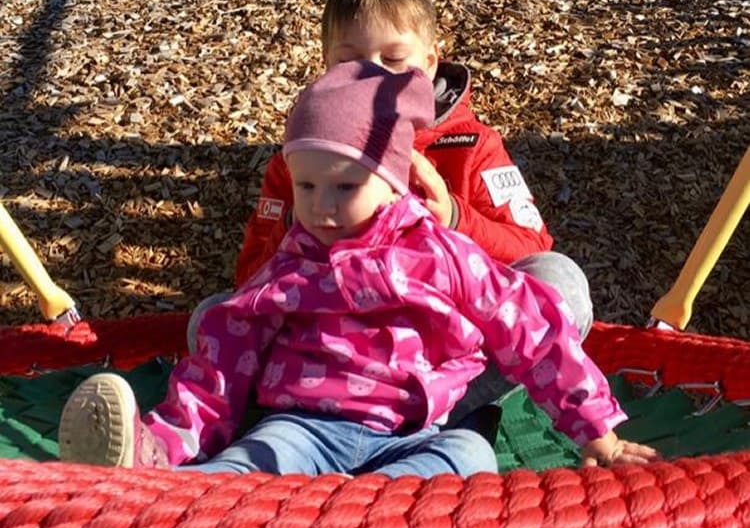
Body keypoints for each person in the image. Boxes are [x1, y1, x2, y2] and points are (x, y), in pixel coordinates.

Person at [58, 61, 657, 476]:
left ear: (393, 182)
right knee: (253, 460)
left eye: (344, 185)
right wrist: (170, 437)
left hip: (414, 431)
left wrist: (595, 432)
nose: (319, 205)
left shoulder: (441, 255)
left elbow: (533, 333)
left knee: (467, 460)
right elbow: (219, 369)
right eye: (307, 184)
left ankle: (361, 516)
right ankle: (163, 477)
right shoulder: (291, 266)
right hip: (305, 425)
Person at [191, 0, 594, 429]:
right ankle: (305, 417)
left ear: (432, 61)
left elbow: (532, 247)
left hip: (443, 350)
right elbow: (250, 280)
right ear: (326, 65)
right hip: (327, 351)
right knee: (209, 320)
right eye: (352, 62)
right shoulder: (303, 159)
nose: (375, 78)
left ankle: (439, 413)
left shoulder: (469, 145)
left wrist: (455, 217)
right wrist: (309, 219)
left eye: (396, 60)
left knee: (560, 281)